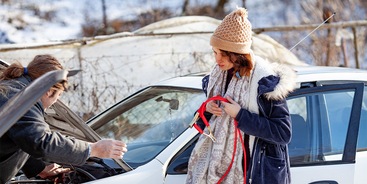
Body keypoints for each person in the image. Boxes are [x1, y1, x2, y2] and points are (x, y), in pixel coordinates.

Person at [186, 8, 296, 184]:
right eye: (215, 52)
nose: (217, 59)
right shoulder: (217, 77)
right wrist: (207, 109)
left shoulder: (264, 83)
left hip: (255, 173)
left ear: (237, 54)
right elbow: (203, 125)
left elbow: (283, 133)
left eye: (223, 54)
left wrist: (240, 115)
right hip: (217, 172)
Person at [0, 54, 128, 183]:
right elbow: (41, 141)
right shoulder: (21, 99)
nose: (56, 102)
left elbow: (21, 139)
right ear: (49, 91)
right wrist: (93, 149)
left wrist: (39, 168)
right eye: (59, 95)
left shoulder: (15, 90)